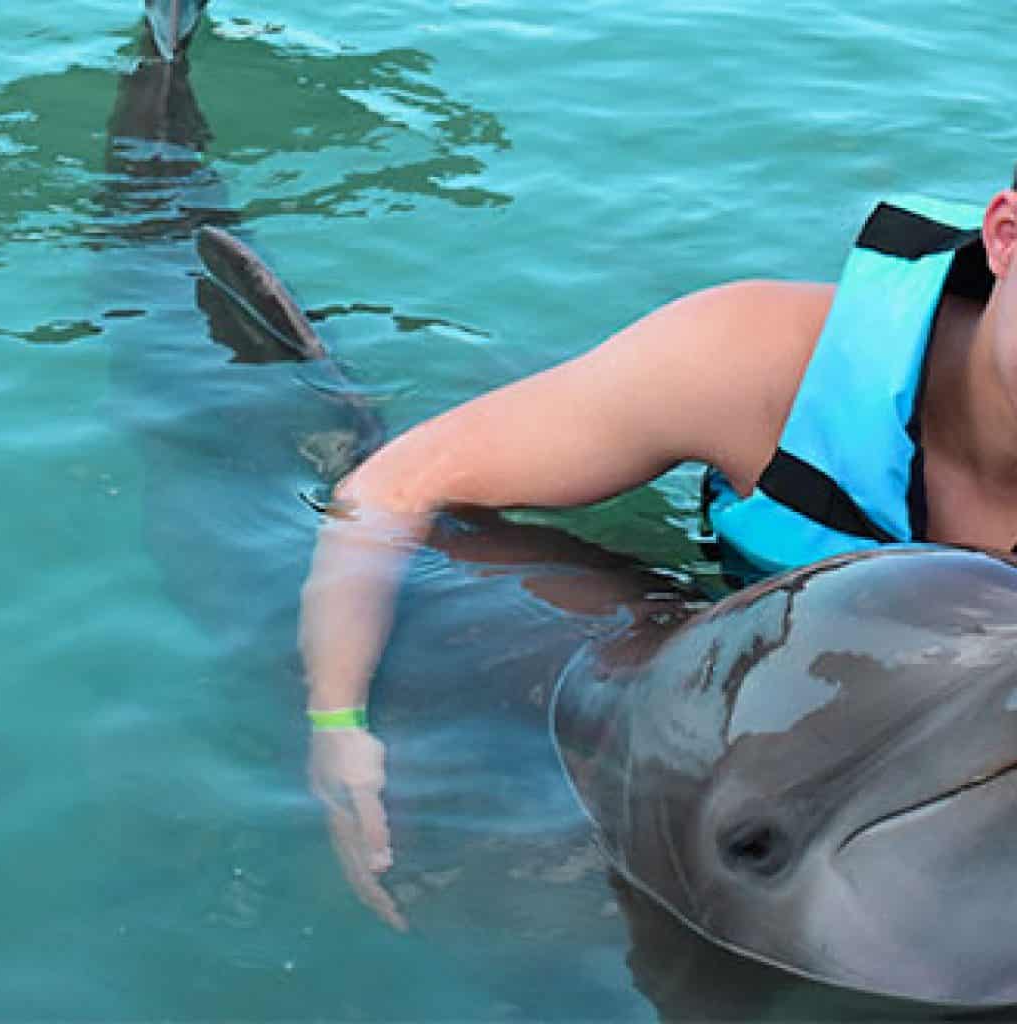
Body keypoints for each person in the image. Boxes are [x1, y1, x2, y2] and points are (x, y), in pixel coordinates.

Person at [299, 180, 1017, 928]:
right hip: (725, 693)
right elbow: (394, 486)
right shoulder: (759, 365)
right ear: (1004, 236)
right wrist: (336, 723)